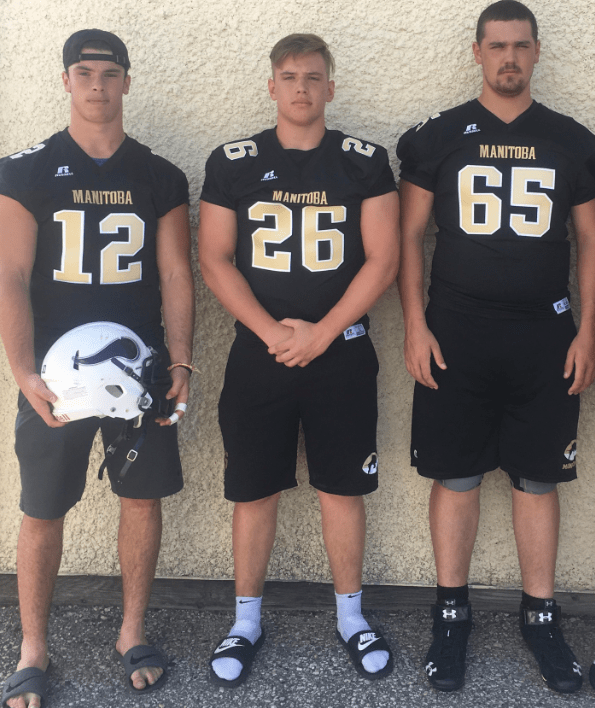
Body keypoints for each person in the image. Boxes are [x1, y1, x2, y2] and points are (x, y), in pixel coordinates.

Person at [397, 0, 595, 694]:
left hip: (544, 332)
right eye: (497, 45)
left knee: (538, 478)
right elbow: (408, 236)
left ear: (536, 52)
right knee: (455, 476)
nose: (509, 57)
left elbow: (592, 239)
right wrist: (415, 324)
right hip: (455, 329)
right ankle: (450, 614)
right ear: (478, 52)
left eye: (520, 45)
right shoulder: (438, 137)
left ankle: (541, 617)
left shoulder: (573, 141)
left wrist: (589, 329)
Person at [0, 29, 194, 707]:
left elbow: (176, 273)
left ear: (127, 82)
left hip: (139, 367)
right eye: (84, 73)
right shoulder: (24, 170)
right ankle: (32, 648)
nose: (98, 85)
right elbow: (9, 274)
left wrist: (182, 358)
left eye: (110, 74)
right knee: (42, 506)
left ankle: (131, 631)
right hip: (56, 370)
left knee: (141, 498)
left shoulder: (160, 175)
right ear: (65, 80)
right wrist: (22, 370)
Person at [198, 33, 399, 687]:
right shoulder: (234, 161)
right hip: (260, 354)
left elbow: (383, 260)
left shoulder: (364, 161)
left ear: (330, 87)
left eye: (313, 77)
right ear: (271, 86)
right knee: (254, 488)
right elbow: (214, 259)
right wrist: (271, 332)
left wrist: (322, 333)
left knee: (342, 488)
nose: (302, 88)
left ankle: (351, 616)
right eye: (289, 77)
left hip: (341, 350)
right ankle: (245, 621)